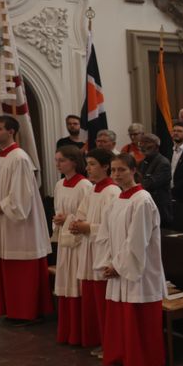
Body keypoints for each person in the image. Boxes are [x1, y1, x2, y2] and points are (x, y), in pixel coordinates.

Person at [0, 116, 53, 322]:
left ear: (11, 131)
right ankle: (13, 310)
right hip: (3, 220)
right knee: (7, 266)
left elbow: (20, 196)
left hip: (20, 223)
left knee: (21, 268)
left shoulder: (19, 158)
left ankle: (27, 311)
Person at [95, 153, 166, 366]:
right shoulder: (117, 199)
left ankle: (144, 361)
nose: (116, 174)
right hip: (119, 267)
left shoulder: (142, 200)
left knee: (139, 318)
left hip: (139, 269)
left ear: (133, 171)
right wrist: (108, 262)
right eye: (113, 170)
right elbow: (105, 234)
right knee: (121, 317)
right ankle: (123, 356)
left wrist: (116, 266)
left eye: (121, 170)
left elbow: (137, 241)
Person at [69, 149, 120, 350]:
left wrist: (88, 227)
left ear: (106, 166)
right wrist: (75, 224)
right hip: (89, 250)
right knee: (92, 300)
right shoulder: (93, 189)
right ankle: (99, 340)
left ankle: (109, 344)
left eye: (92, 164)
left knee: (103, 301)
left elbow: (115, 227)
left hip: (104, 252)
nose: (87, 168)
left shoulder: (112, 192)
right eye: (87, 164)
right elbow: (81, 214)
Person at [50, 146, 92, 344]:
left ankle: (80, 331)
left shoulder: (84, 186)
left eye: (61, 160)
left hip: (78, 242)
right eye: (56, 160)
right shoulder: (59, 184)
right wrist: (59, 220)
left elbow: (87, 217)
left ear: (74, 162)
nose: (57, 164)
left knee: (77, 284)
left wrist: (68, 219)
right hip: (65, 242)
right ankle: (67, 330)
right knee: (66, 282)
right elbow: (58, 210)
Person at [137, 134, 171, 224]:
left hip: (159, 208)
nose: (143, 146)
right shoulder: (141, 163)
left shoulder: (163, 163)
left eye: (147, 142)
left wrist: (138, 184)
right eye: (141, 142)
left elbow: (150, 184)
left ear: (156, 146)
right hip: (145, 205)